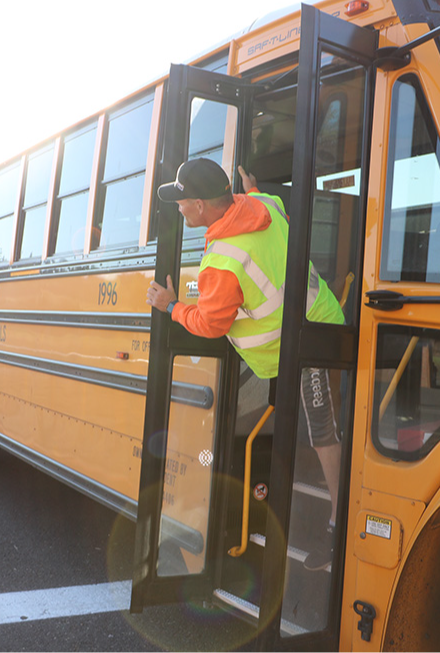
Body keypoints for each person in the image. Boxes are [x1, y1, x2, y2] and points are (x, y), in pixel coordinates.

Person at [145, 159, 344, 571]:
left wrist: (172, 307)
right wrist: (249, 191)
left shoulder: (222, 262)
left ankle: (337, 522)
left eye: (182, 201)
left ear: (200, 206)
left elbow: (211, 325)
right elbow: (266, 210)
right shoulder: (264, 204)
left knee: (322, 431)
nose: (178, 208)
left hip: (309, 345)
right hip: (317, 321)